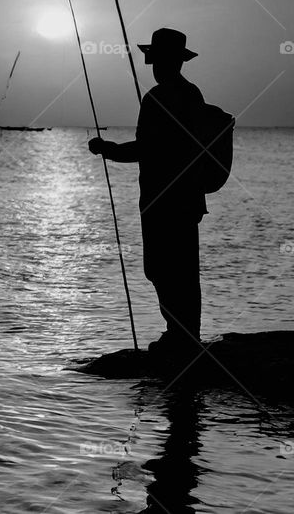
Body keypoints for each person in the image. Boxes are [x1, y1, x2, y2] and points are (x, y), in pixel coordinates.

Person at [88, 27, 207, 353]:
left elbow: (146, 150)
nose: (152, 65)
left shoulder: (157, 99)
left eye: (155, 59)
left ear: (167, 62)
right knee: (183, 269)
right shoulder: (193, 94)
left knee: (161, 267)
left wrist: (106, 149)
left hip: (162, 200)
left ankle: (179, 336)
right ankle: (187, 336)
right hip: (188, 198)